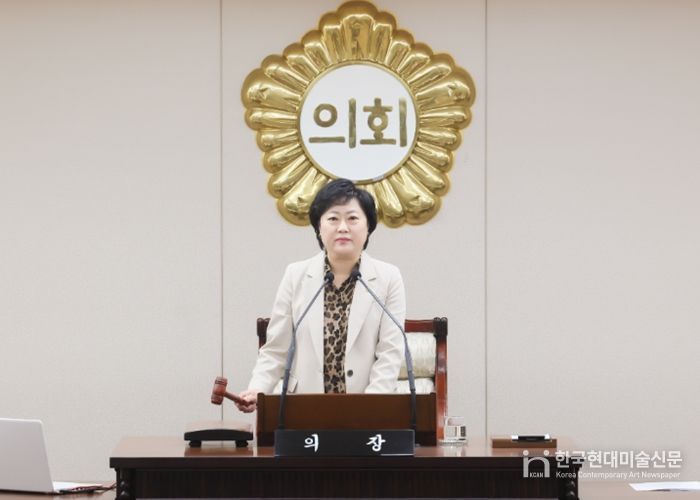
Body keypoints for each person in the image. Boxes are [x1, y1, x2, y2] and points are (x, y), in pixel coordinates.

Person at [235, 178, 406, 413]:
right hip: (303, 410)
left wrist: (367, 409)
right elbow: (276, 349)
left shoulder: (388, 278)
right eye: (333, 218)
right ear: (319, 227)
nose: (343, 227)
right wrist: (257, 390)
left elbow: (390, 353)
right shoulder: (296, 275)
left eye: (353, 218)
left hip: (367, 412)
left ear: (368, 227)